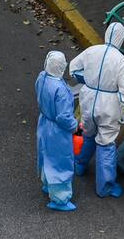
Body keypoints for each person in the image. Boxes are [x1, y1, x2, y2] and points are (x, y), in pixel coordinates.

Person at [69, 23, 124, 198]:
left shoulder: (92, 50)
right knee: (106, 143)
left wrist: (90, 81)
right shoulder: (120, 60)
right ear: (121, 39)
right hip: (109, 104)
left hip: (88, 100)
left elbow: (73, 68)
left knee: (89, 134)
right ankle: (105, 187)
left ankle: (80, 165)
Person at [36, 51, 79, 212]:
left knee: (46, 155)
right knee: (60, 162)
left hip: (44, 122)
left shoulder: (42, 77)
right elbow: (63, 117)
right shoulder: (60, 89)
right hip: (57, 130)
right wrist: (74, 125)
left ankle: (48, 184)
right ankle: (60, 198)